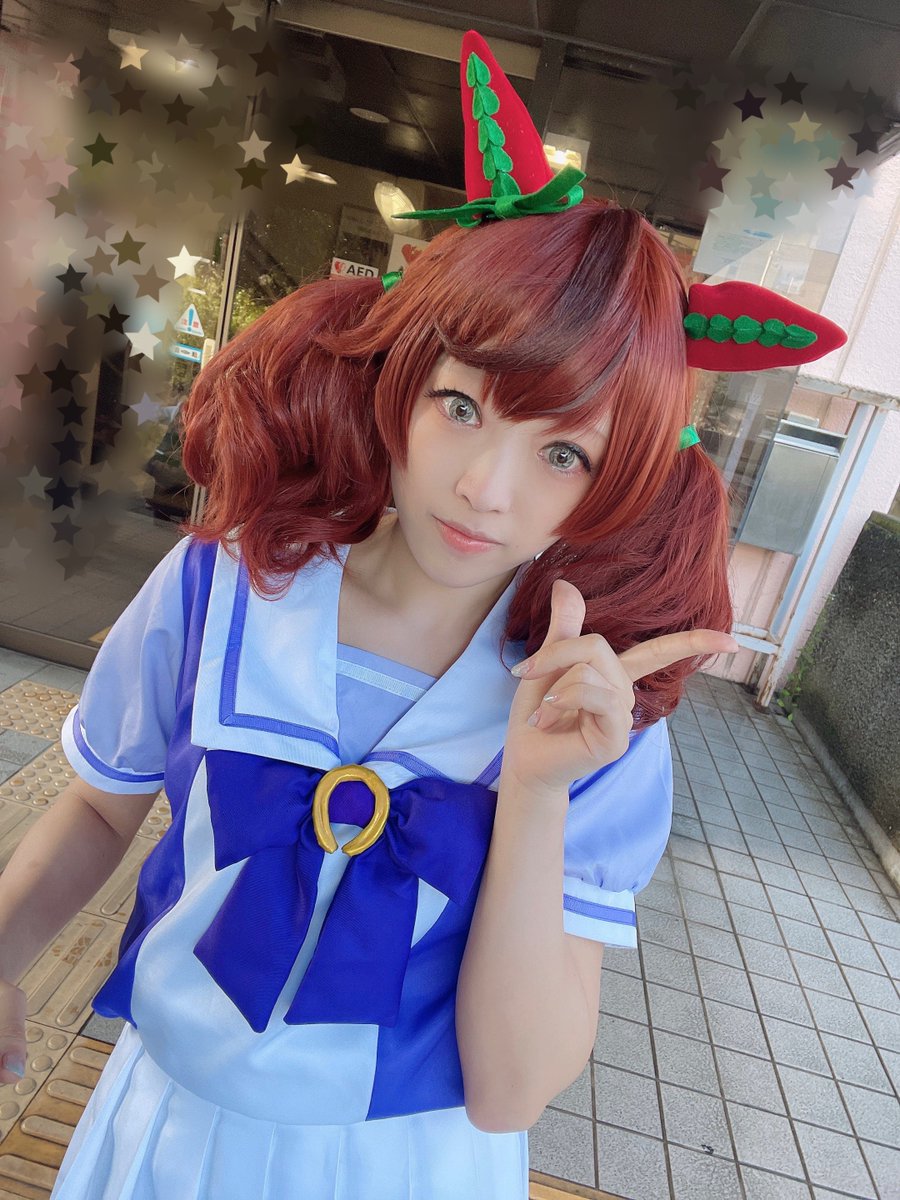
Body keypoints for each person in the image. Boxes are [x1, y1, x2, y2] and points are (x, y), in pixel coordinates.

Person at [0, 28, 846, 1200]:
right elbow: (102, 803)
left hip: (410, 1166)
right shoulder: (220, 584)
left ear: (617, 486)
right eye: (461, 405)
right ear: (398, 379)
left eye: (563, 452)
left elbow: (510, 1094)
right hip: (162, 1132)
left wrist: (535, 792)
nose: (486, 488)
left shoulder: (596, 723)